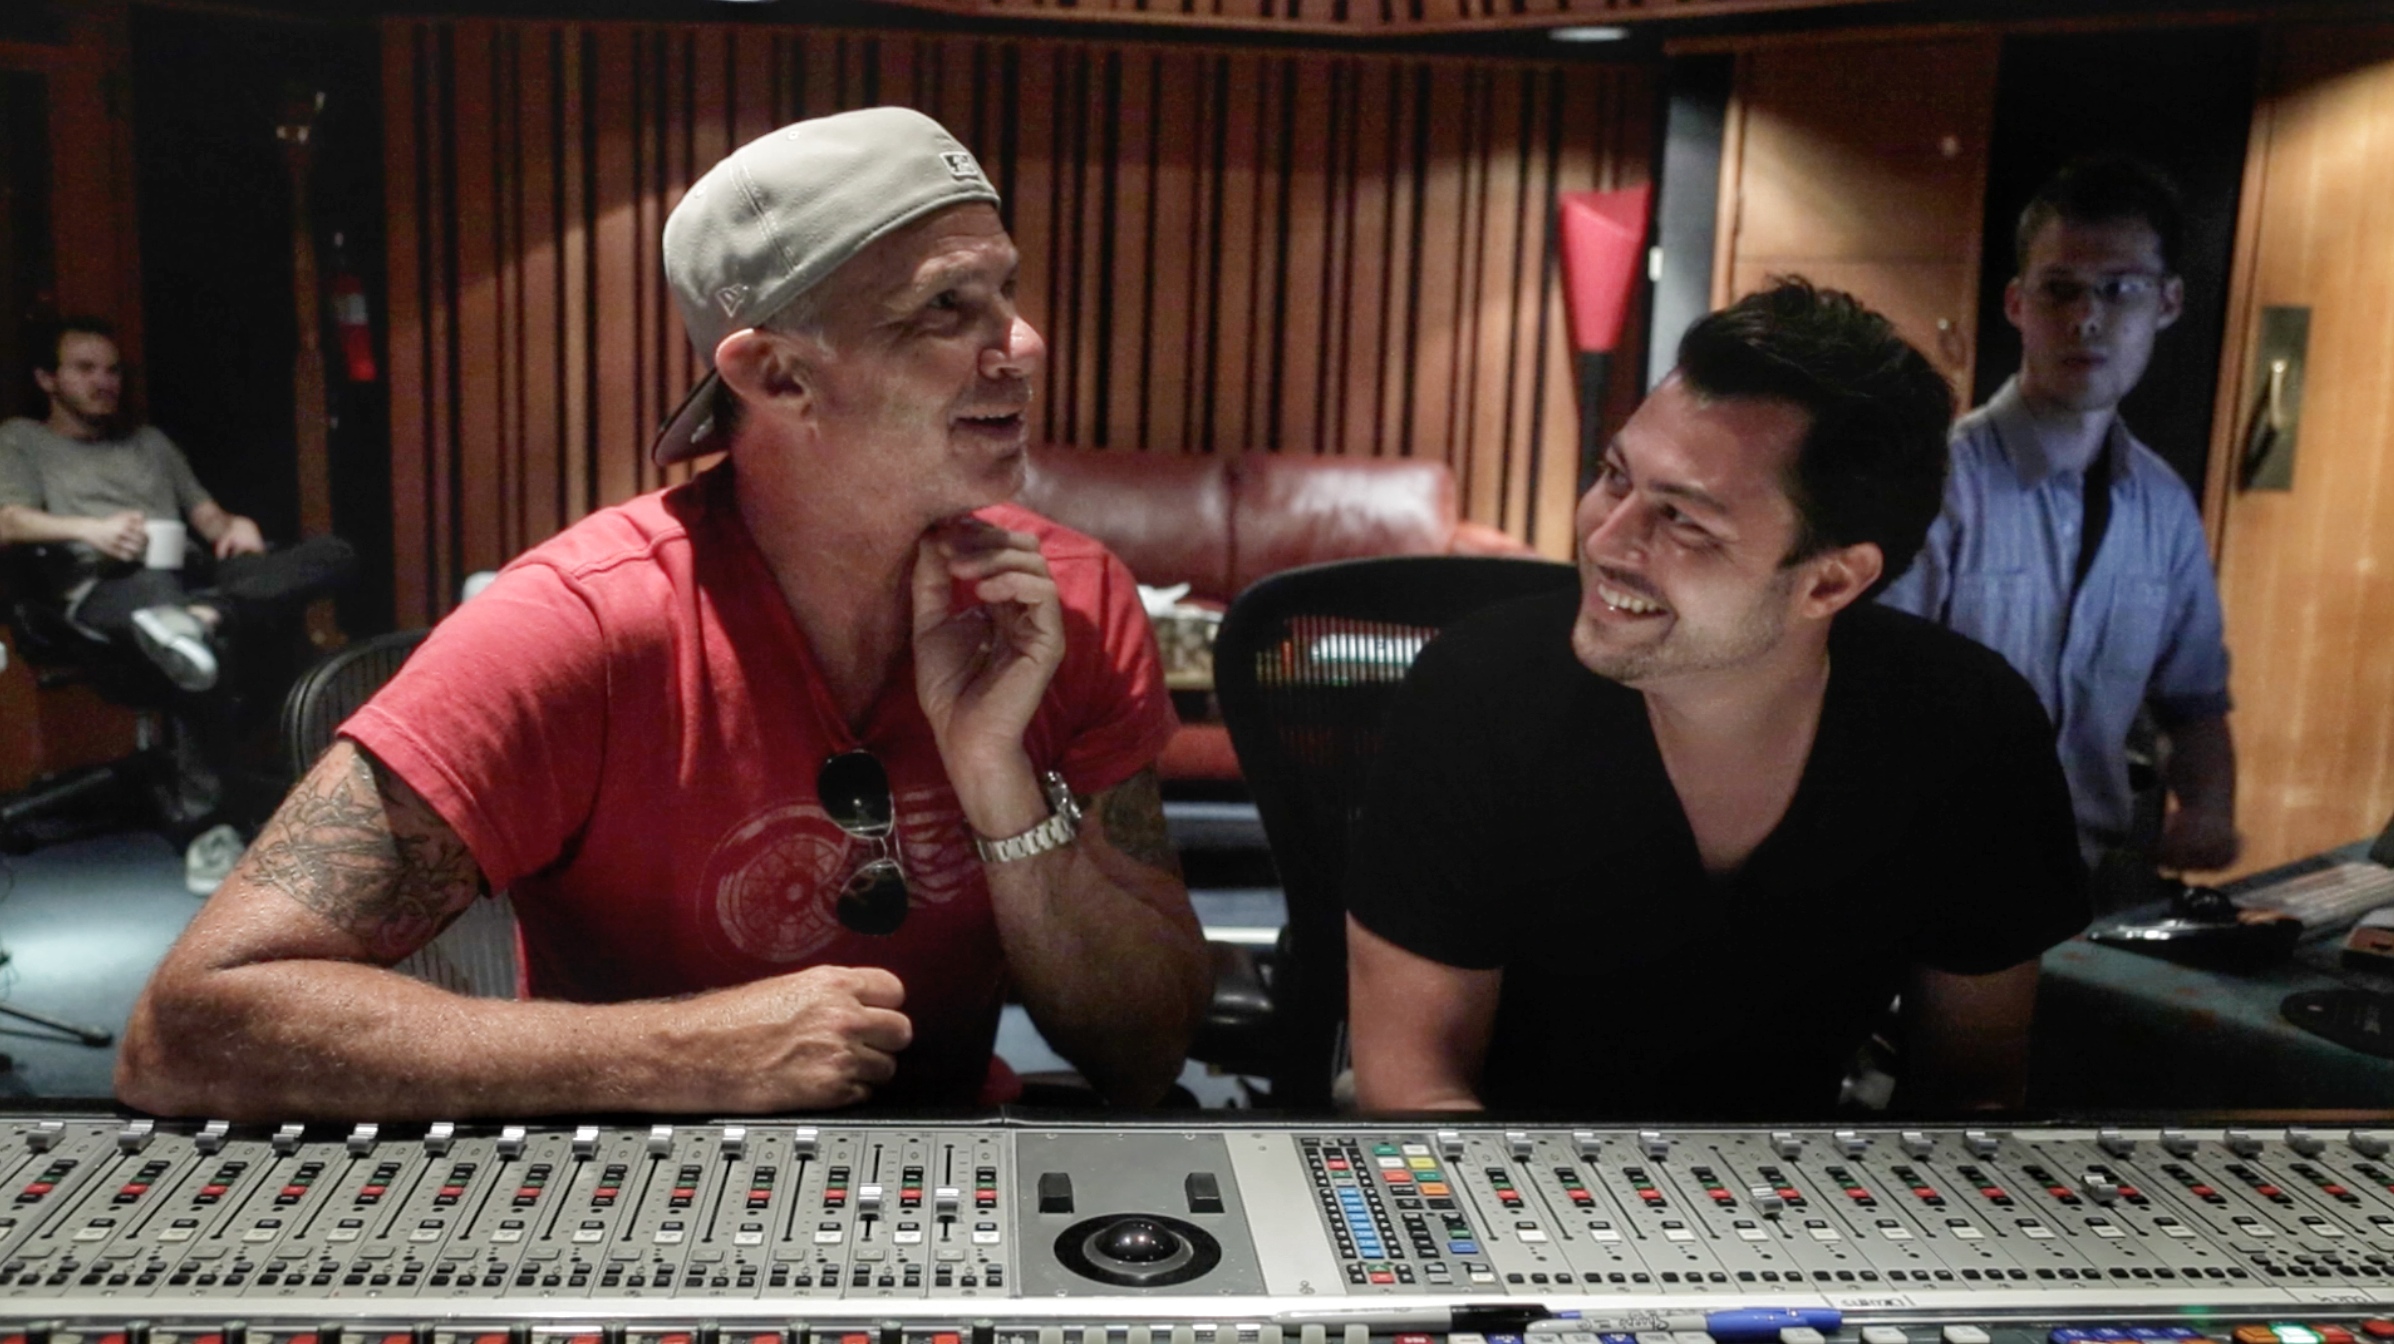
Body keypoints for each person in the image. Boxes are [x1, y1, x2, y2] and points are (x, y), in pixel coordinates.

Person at [116, 107, 1212, 1119]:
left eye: (1005, 295)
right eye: (945, 307)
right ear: (776, 375)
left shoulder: (1063, 596)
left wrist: (1001, 787)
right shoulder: (579, 626)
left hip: (952, 1202)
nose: (1020, 346)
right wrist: (676, 1054)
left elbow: (1147, 1047)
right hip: (637, 1214)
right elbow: (188, 1030)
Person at [1345, 279, 2088, 1117]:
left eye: (1684, 520)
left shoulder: (1967, 731)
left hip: (1800, 1205)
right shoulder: (1479, 694)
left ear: (1831, 581)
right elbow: (1414, 1087)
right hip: (1503, 1182)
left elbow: (1973, 1100)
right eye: (1614, 476)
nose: (1606, 537)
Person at [1881, 159, 2238, 884]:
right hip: (1941, 874)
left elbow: (2194, 702)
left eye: (2120, 289)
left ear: (2168, 302)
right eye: (2061, 289)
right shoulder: (1944, 482)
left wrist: (2207, 811)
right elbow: (1867, 691)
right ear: (2017, 302)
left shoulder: (2163, 507)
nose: (2086, 316)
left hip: (2095, 879)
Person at [0, 317, 357, 694]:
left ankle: (202, 616)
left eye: (112, 371)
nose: (104, 383)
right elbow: (8, 521)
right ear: (47, 380)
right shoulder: (22, 438)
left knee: (333, 553)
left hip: (190, 575)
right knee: (186, 625)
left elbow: (208, 518)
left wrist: (234, 525)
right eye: (85, 369)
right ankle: (193, 624)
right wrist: (91, 530)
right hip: (106, 585)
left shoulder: (150, 442)